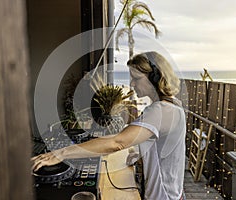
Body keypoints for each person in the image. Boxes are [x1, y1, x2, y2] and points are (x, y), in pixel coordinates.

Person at [32, 51, 186, 200]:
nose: (131, 84)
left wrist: (62, 153)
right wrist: (141, 155)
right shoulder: (173, 106)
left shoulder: (160, 111)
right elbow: (153, 141)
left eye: (136, 78)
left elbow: (118, 142)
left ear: (155, 78)